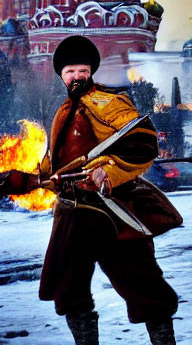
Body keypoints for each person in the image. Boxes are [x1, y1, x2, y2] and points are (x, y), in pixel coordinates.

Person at [0, 35, 179, 345]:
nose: (77, 77)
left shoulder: (109, 103)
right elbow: (55, 168)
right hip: (73, 212)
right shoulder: (61, 114)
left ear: (91, 72)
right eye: (70, 72)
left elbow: (142, 143)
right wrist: (21, 181)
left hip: (111, 209)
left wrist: (105, 170)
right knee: (68, 289)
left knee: (145, 286)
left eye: (83, 70)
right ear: (61, 76)